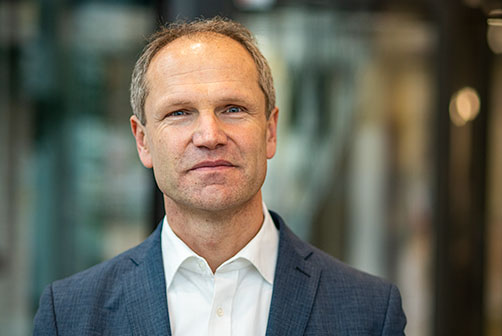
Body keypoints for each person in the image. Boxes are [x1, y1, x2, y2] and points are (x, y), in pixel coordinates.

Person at [33, 17, 407, 335]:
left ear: (271, 131)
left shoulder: (370, 313)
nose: (210, 136)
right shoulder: (68, 316)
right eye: (180, 112)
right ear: (143, 141)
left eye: (232, 108)